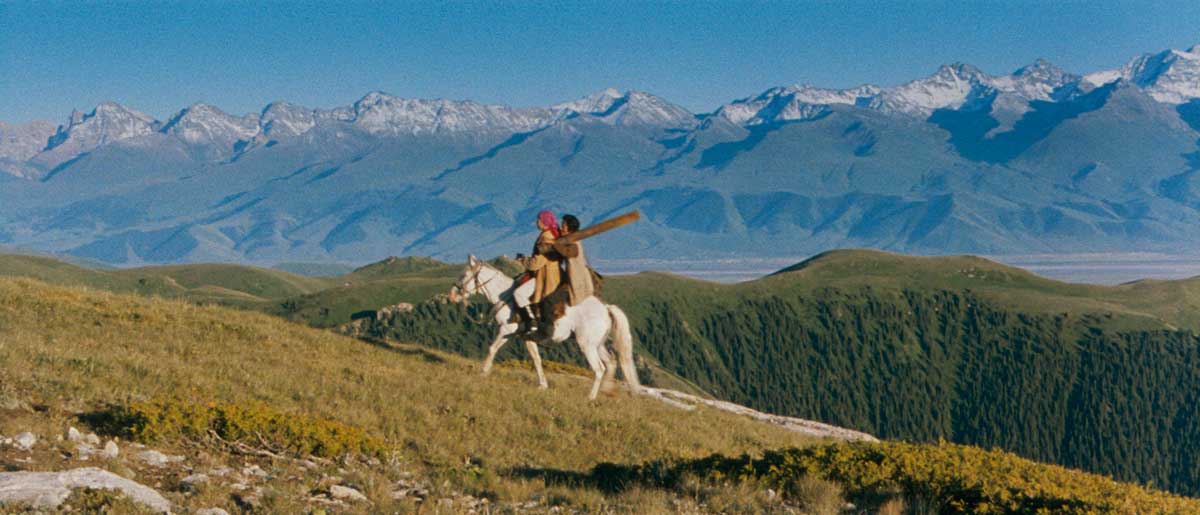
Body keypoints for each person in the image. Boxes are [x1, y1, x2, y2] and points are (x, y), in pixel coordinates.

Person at [515, 210, 563, 335]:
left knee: (518, 293)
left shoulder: (546, 237)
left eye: (539, 219)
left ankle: (530, 322)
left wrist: (523, 260)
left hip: (545, 276)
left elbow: (537, 263)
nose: (537, 222)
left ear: (544, 222)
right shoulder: (554, 234)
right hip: (555, 272)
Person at [553, 214, 596, 306]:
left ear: (570, 228)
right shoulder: (571, 240)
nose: (561, 228)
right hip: (579, 277)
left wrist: (554, 244)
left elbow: (568, 253)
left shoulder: (573, 242)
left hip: (578, 279)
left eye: (563, 226)